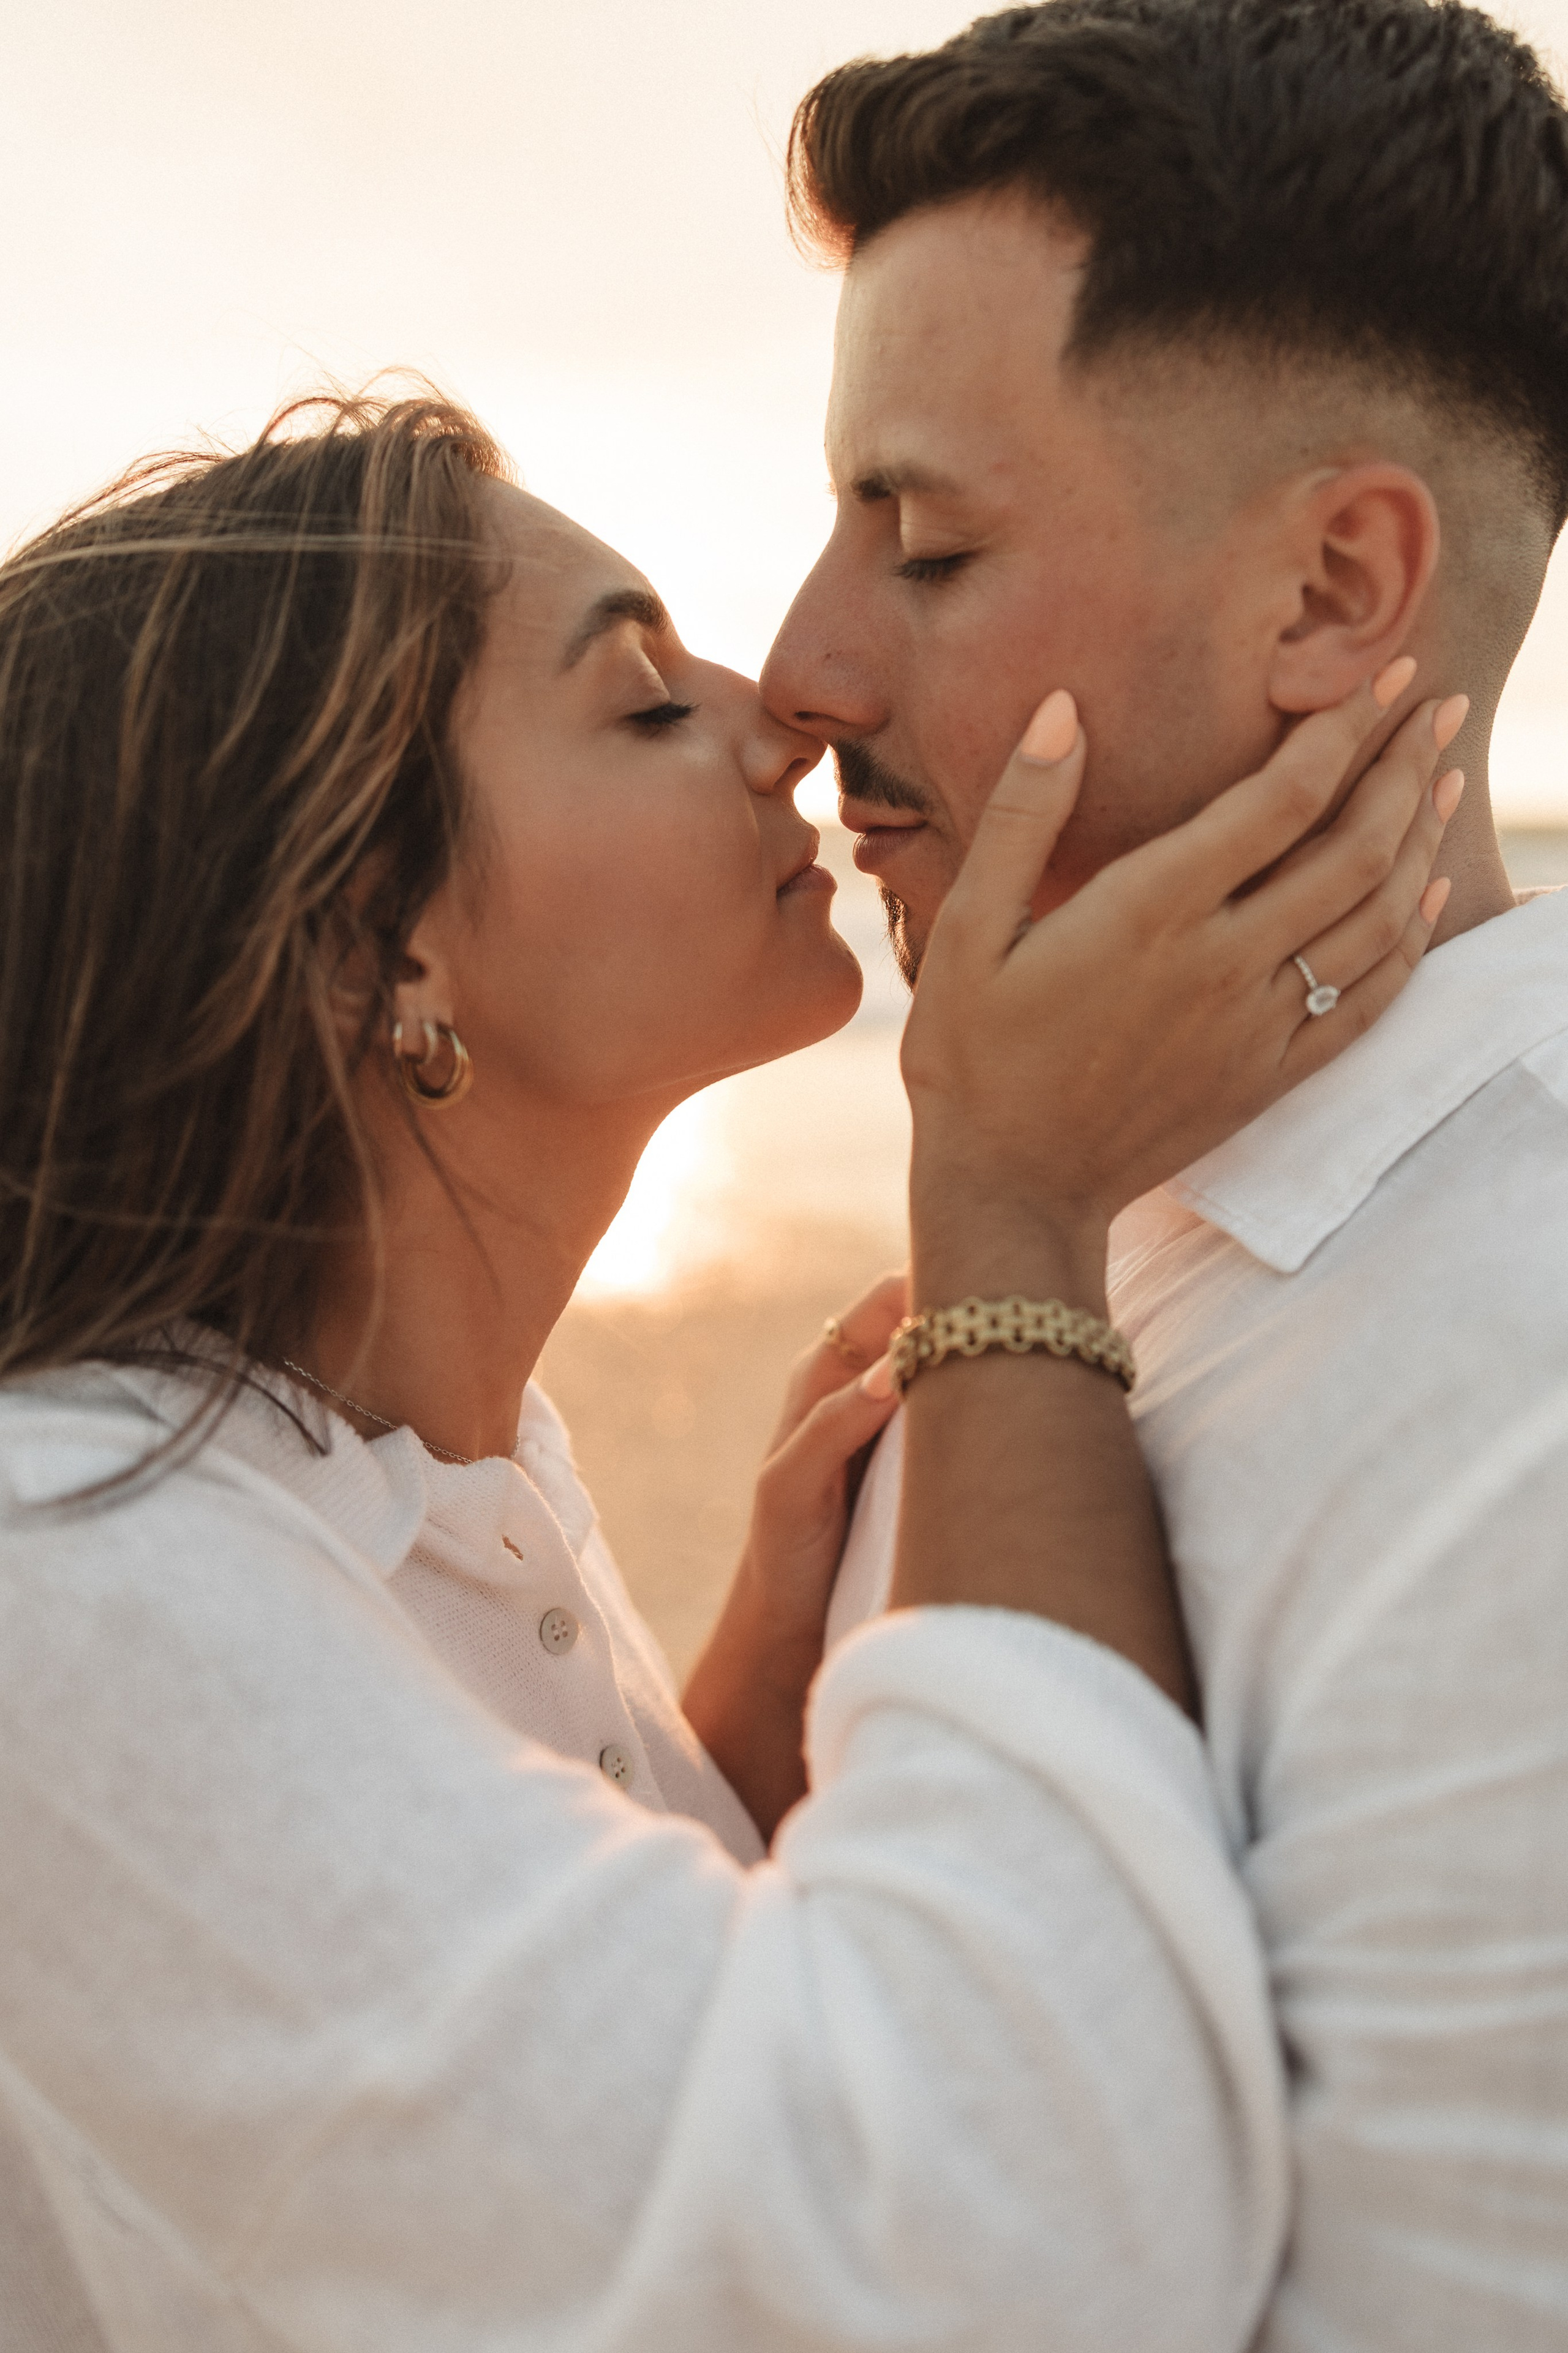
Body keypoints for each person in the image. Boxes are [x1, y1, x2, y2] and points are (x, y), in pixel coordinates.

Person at [0, 390, 1452, 2352]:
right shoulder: (64, 1566)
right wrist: (1011, 1204)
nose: (788, 714)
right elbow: (996, 2254)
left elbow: (502, 2136)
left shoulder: (450, 1466)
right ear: (373, 949)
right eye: (645, 704)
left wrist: (732, 1757)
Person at [763, 2, 1568, 2344]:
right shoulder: (1080, 1241)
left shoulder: (1522, 1379)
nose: (799, 667)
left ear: (1331, 592)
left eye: (922, 544)